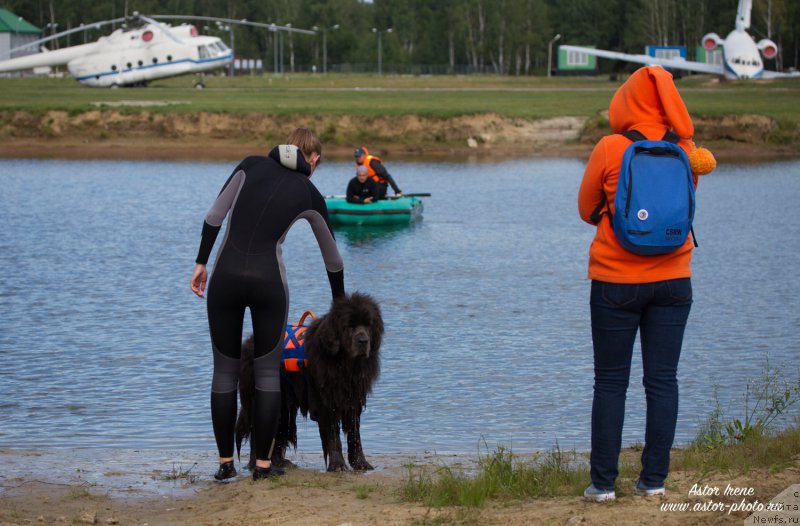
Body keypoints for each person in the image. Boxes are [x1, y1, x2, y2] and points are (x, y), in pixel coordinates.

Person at [190, 128, 345, 482]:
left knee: (224, 372)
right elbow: (333, 259)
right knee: (266, 375)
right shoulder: (309, 192)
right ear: (315, 159)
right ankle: (262, 466)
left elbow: (214, 216)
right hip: (268, 284)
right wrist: (339, 306)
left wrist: (201, 264)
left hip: (225, 278)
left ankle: (225, 464)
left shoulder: (249, 165)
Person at [577, 66, 700, 502]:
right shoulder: (684, 151)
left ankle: (603, 486)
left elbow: (585, 207)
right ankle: (654, 481)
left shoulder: (611, 147)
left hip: (615, 281)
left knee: (610, 382)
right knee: (663, 381)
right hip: (674, 281)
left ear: (626, 102)